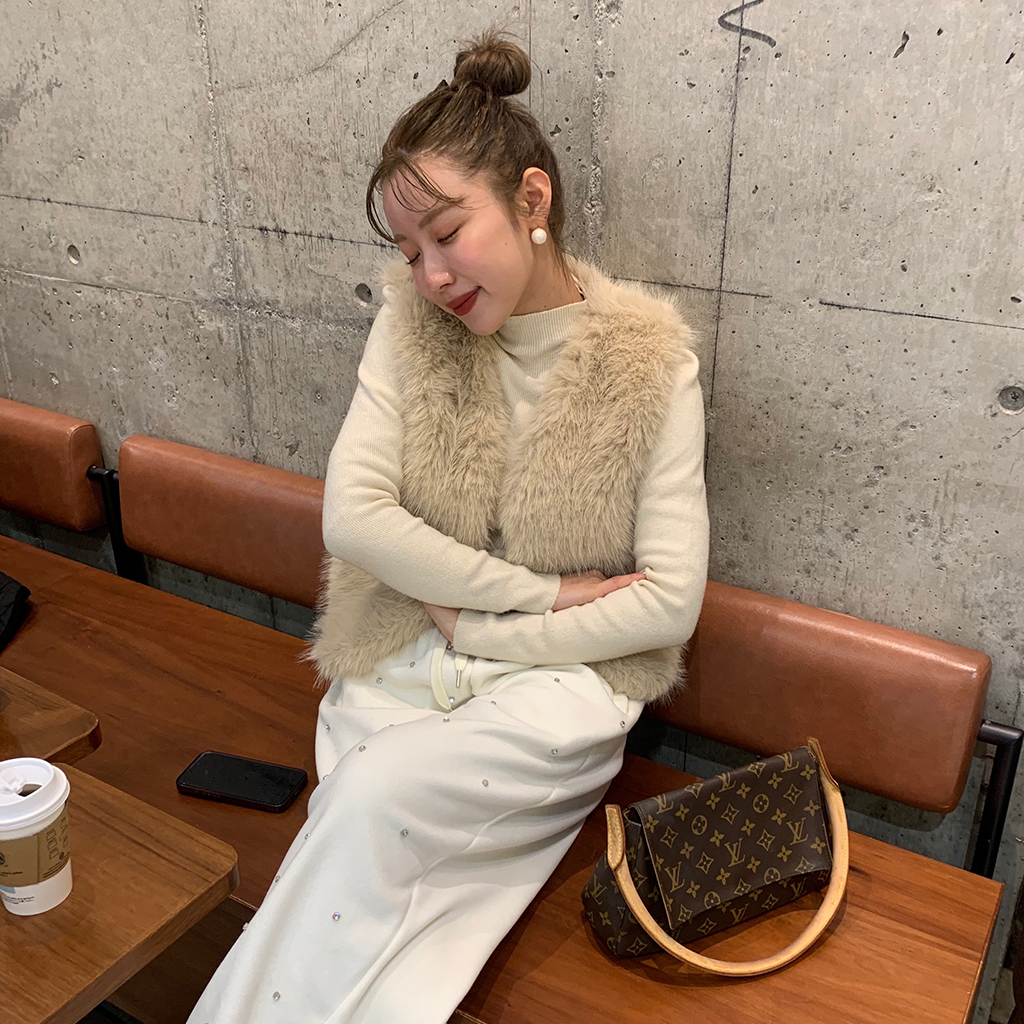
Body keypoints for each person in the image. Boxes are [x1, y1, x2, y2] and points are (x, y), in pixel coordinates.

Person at [186, 28, 709, 1024]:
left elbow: (666, 604)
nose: (429, 275)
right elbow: (354, 518)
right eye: (408, 250)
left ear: (532, 200)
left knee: (369, 802)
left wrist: (486, 631)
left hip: (554, 693)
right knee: (368, 825)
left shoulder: (652, 366)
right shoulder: (411, 324)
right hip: (395, 660)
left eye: (447, 233)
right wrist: (536, 593)